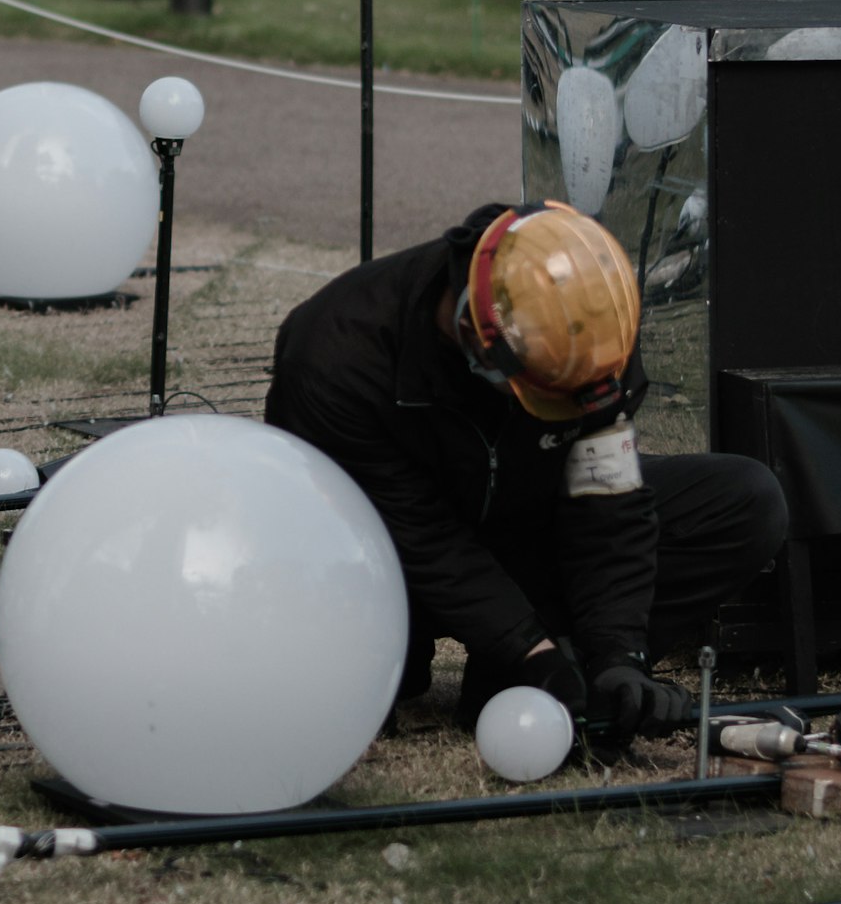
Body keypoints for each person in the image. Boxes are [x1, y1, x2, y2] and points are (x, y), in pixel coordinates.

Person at [266, 200, 790, 757]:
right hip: (388, 562)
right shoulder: (337, 355)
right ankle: (529, 663)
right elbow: (422, 539)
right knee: (361, 680)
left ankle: (559, 674)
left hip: (523, 515)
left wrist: (618, 654)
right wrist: (530, 652)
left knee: (745, 501)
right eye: (548, 397)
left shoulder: (590, 327)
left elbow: (607, 501)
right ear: (474, 334)